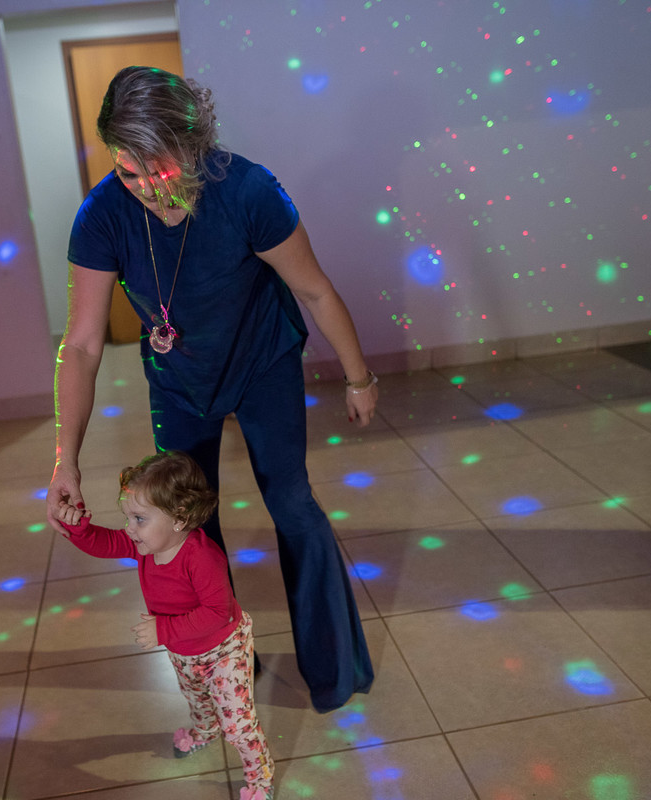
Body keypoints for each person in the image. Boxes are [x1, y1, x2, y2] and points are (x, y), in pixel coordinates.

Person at [47, 65, 378, 714]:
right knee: (188, 524)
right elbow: (81, 345)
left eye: (159, 169)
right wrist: (66, 459)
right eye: (128, 171)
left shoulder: (249, 189)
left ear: (192, 143)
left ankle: (334, 669)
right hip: (179, 381)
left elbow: (314, 290)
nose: (146, 188)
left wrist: (358, 376)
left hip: (263, 363)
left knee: (293, 505)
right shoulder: (102, 215)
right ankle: (225, 663)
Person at [53, 451, 273, 800]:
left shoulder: (202, 557)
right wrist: (79, 528)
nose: (129, 528)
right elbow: (105, 543)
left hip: (223, 650)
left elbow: (218, 612)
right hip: (183, 649)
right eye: (128, 517)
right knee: (197, 699)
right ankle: (205, 730)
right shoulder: (144, 544)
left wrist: (162, 631)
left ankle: (260, 778)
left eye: (139, 519)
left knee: (237, 723)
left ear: (179, 519)